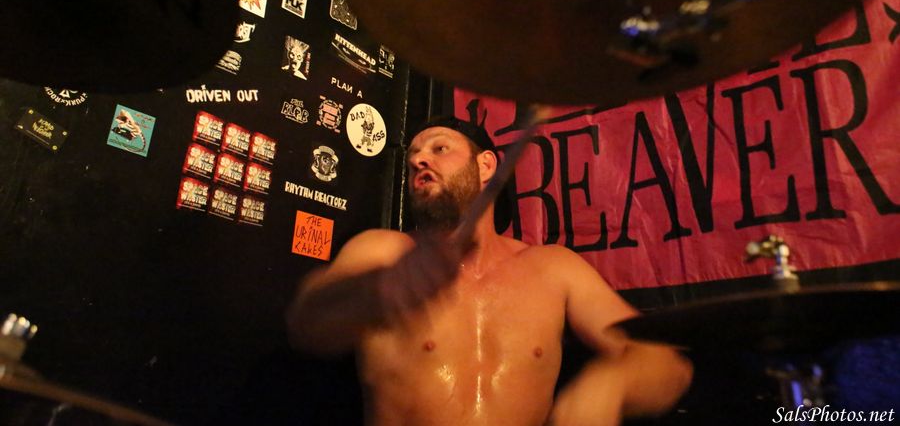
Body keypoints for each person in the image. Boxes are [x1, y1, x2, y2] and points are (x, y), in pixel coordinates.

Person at [285, 116, 692, 426]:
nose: (419, 159)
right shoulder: (384, 251)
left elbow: (667, 363)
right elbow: (308, 323)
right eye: (413, 159)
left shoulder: (553, 267)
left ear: (486, 166)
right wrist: (377, 290)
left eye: (439, 148)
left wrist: (612, 385)